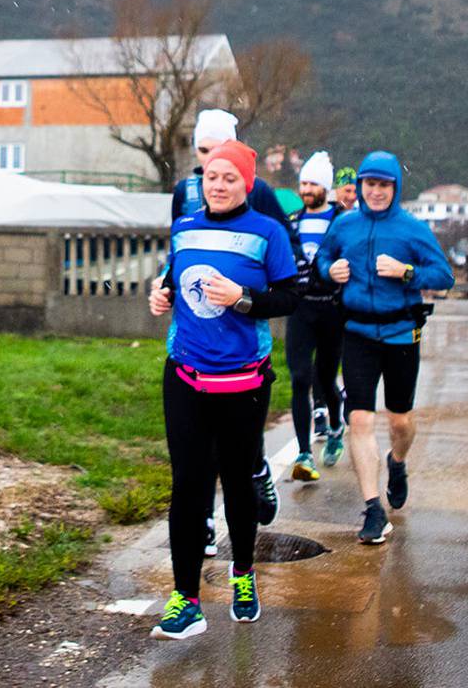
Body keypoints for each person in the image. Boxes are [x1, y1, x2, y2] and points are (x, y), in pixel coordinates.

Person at [147, 140, 299, 638]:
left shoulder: (268, 233)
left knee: (236, 482)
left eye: (229, 177)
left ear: (247, 183)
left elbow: (290, 297)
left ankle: (243, 576)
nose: (218, 185)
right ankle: (185, 597)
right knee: (188, 487)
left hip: (244, 381)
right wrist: (161, 294)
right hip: (186, 374)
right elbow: (174, 278)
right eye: (212, 176)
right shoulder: (184, 227)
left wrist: (244, 299)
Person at [316, 149, 453, 546]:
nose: (376, 192)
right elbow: (325, 257)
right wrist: (330, 270)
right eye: (369, 184)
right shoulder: (344, 226)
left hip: (400, 334)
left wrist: (406, 272)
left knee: (399, 422)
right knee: (360, 419)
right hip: (357, 333)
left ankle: (397, 462)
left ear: (395, 188)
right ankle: (373, 509)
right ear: (359, 186)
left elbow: (444, 276)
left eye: (384, 185)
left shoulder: (412, 230)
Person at [170, 108, 292, 541]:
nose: (210, 170)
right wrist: (165, 288)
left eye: (219, 158)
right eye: (203, 155)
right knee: (194, 457)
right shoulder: (184, 192)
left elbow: (285, 274)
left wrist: (243, 296)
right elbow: (177, 256)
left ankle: (256, 469)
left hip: (243, 350)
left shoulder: (259, 198)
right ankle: (203, 520)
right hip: (188, 342)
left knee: (236, 452)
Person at [286, 151, 347, 480]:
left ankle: (336, 426)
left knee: (325, 377)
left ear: (325, 187)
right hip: (301, 307)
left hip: (332, 308)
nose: (306, 189)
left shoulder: (341, 222)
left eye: (313, 183)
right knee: (299, 377)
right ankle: (304, 453)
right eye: (303, 183)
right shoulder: (292, 222)